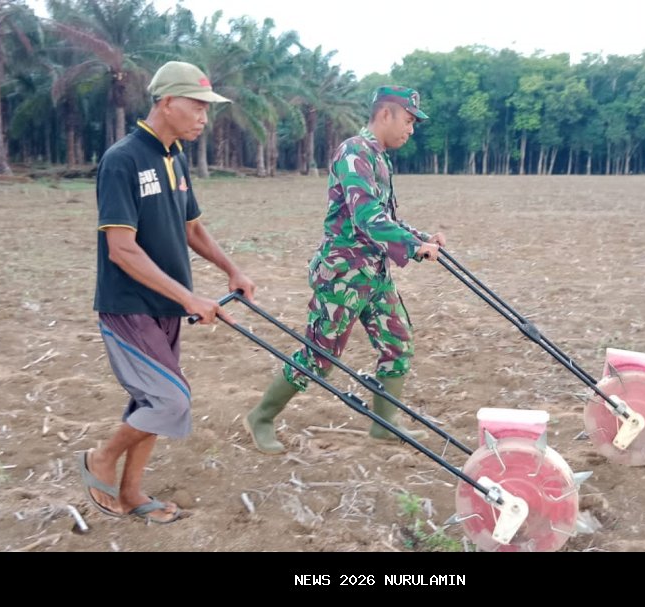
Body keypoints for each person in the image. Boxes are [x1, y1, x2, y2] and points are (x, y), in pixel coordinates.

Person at [78, 61, 256, 524]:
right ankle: (102, 457)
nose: (203, 117)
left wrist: (231, 269)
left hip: (166, 308)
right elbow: (121, 250)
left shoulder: (174, 157)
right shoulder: (123, 159)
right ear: (166, 102)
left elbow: (192, 227)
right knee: (169, 400)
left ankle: (133, 493)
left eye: (206, 108)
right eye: (196, 106)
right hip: (129, 306)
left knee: (152, 403)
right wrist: (190, 298)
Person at [243, 85, 445, 455]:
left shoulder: (379, 157)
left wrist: (421, 237)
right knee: (319, 358)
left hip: (374, 273)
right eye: (409, 120)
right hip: (343, 276)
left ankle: (384, 425)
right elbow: (367, 218)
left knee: (398, 342)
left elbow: (385, 217)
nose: (411, 129)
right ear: (386, 114)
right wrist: (415, 249)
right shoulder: (354, 152)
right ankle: (261, 417)